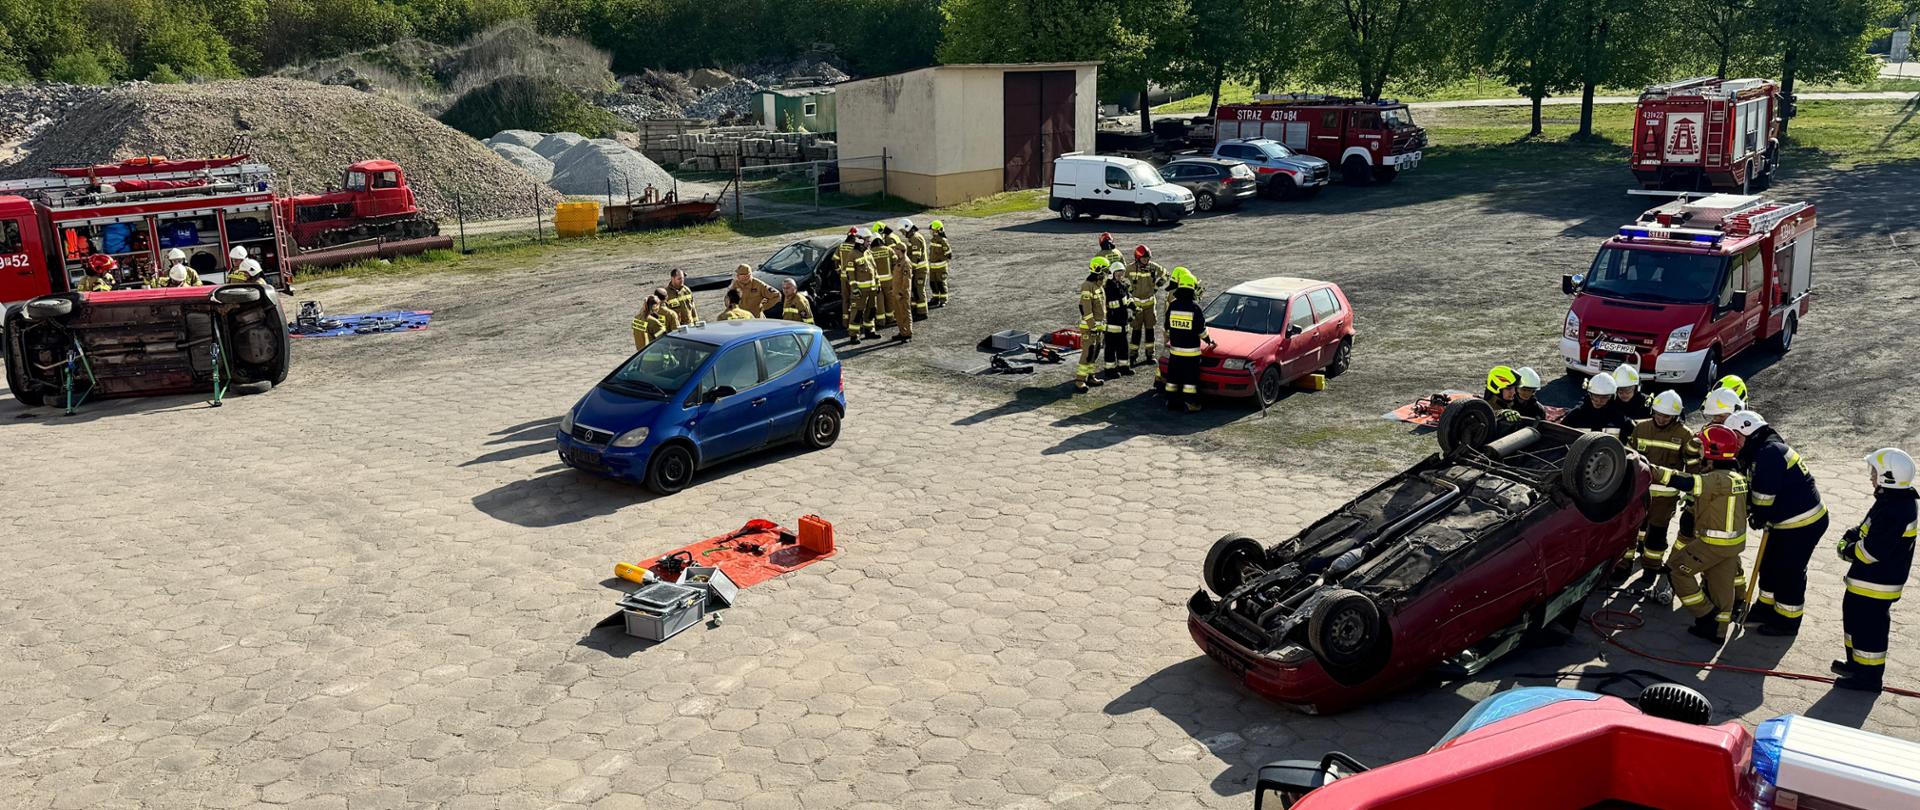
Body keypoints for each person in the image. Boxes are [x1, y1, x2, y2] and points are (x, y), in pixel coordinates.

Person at [1725, 410, 1828, 636]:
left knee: (1788, 572)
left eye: (1737, 437)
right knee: (1768, 564)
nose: (1735, 442)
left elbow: (1764, 496)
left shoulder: (1769, 453)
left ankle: (1787, 621)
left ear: (1749, 434)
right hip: (1782, 521)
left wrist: (1757, 515)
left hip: (1803, 523)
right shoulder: (1759, 450)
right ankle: (1765, 607)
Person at [1654, 424, 1752, 643]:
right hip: (1732, 545)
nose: (1698, 451)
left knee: (1676, 572)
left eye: (1702, 448)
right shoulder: (1737, 477)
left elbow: (1686, 482)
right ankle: (1717, 631)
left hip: (1713, 543)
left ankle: (1705, 614)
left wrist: (1653, 470)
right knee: (1720, 587)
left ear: (1711, 452)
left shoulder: (1716, 479)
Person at [1831, 448, 1917, 692]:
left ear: (1887, 477)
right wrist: (1850, 536)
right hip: (1867, 582)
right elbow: (1864, 529)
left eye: (1874, 472)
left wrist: (1846, 550)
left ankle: (1868, 679)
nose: (1871, 477)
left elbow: (1871, 552)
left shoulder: (1896, 510)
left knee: (1869, 631)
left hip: (1877, 585)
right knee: (1855, 622)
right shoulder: (1890, 501)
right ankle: (1856, 665)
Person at [1626, 390, 1695, 577]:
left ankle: (1651, 567)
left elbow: (1692, 468)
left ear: (1675, 416)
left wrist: (1692, 493)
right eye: (1658, 414)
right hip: (1639, 493)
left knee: (1657, 534)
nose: (1662, 419)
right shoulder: (1640, 428)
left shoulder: (1685, 435)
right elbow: (1629, 458)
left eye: (1667, 416)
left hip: (1665, 498)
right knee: (1631, 530)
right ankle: (1623, 565)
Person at [1164, 267, 1214, 413]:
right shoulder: (1195, 308)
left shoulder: (1172, 305)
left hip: (1175, 352)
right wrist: (1209, 341)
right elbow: (1201, 330)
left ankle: (1171, 402)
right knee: (1190, 382)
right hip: (1191, 354)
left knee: (1172, 379)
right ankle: (1191, 403)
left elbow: (1167, 328)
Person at [1125, 245, 1166, 367]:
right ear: (1137, 258)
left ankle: (1150, 355)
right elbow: (1122, 279)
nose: (1146, 260)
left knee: (1150, 330)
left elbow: (1166, 274)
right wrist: (1129, 289)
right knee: (1136, 331)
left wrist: (1157, 286)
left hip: (1149, 305)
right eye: (1144, 258)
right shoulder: (1130, 268)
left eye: (1148, 258)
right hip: (1136, 307)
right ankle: (1133, 355)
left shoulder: (1153, 267)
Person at [1075, 258, 1109, 393]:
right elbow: (1086, 309)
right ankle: (1079, 380)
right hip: (1089, 328)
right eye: (1105, 272)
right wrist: (1092, 326)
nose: (1106, 274)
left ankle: (1090, 376)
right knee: (1087, 353)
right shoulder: (1087, 286)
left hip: (1098, 327)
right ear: (1098, 270)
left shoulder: (1099, 286)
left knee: (1095, 353)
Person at [1561, 373, 1634, 434]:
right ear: (1589, 394)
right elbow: (1560, 433)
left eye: (1604, 397)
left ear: (1611, 397)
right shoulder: (1576, 414)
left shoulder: (1617, 415)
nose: (1599, 401)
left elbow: (1632, 431)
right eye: (1595, 396)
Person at [846, 239, 881, 343]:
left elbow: (874, 269)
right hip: (860, 290)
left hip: (872, 289)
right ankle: (854, 335)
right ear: (860, 241)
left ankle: (870, 331)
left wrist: (878, 283)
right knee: (857, 312)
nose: (869, 242)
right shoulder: (852, 255)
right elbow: (850, 274)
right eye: (867, 241)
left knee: (871, 310)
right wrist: (854, 288)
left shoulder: (868, 252)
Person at [1102, 259, 1131, 379]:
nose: (1120, 276)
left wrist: (1134, 307)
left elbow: (1129, 298)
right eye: (1118, 274)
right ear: (1112, 274)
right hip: (1112, 322)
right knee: (1110, 347)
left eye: (1122, 274)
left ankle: (1124, 367)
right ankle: (1110, 370)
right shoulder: (1108, 287)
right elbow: (1112, 304)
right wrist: (1125, 302)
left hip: (1122, 322)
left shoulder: (1123, 285)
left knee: (1123, 346)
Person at [899, 218, 930, 320]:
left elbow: (915, 257)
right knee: (914, 289)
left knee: (919, 290)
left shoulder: (915, 238)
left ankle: (922, 312)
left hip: (919, 270)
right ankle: (916, 309)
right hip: (917, 269)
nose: (903, 234)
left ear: (907, 228)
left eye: (903, 231)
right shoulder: (913, 238)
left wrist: (910, 270)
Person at [869, 222, 897, 328]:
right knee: (889, 299)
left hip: (876, 282)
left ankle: (880, 321)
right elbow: (896, 263)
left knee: (879, 301)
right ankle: (890, 318)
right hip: (889, 280)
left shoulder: (869, 252)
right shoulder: (888, 250)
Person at [832, 229, 860, 319]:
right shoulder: (856, 247)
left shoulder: (841, 246)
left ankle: (845, 320)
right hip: (854, 278)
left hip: (843, 277)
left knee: (845, 299)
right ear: (855, 237)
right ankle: (854, 319)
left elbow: (835, 259)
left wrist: (838, 270)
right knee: (855, 299)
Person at [926, 220, 952, 308]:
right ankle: (935, 298)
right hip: (933, 266)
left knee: (941, 283)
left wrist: (942, 260)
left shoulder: (943, 240)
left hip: (941, 267)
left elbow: (949, 254)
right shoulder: (933, 240)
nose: (932, 232)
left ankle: (943, 299)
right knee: (933, 283)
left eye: (934, 231)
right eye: (932, 231)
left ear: (939, 230)